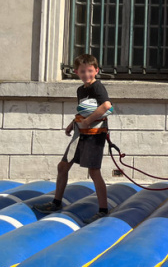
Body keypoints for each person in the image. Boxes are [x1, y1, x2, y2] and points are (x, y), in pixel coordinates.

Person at [34, 54, 111, 224]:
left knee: (94, 172)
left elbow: (107, 106)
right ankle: (56, 202)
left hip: (95, 135)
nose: (86, 74)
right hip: (81, 134)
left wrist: (87, 122)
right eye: (83, 71)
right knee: (63, 166)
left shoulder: (97, 87)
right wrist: (73, 122)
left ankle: (103, 209)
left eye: (90, 71)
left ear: (96, 71)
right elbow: (85, 110)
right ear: (77, 72)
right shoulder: (81, 90)